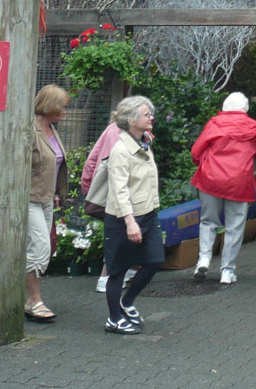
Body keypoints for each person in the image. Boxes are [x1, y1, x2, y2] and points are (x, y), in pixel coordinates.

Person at [191, 92, 256, 285]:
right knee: (234, 227)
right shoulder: (254, 129)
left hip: (211, 179)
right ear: (245, 108)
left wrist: (206, 163)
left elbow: (196, 152)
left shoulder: (214, 124)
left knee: (208, 221)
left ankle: (204, 259)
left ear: (225, 107)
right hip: (240, 182)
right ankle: (227, 270)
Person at [102, 95, 161, 335]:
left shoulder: (144, 142)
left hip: (148, 213)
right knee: (118, 270)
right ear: (131, 120)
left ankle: (126, 302)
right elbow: (119, 189)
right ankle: (114, 319)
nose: (151, 118)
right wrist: (130, 222)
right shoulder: (120, 150)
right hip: (123, 218)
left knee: (155, 260)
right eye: (147, 115)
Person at [26, 84, 70, 323]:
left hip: (46, 198)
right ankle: (34, 301)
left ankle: (30, 298)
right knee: (39, 248)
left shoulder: (51, 130)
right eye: (62, 107)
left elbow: (52, 165)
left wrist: (55, 192)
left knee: (44, 249)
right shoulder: (29, 129)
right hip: (29, 198)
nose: (65, 112)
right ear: (50, 106)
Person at [81, 111, 137, 293]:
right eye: (146, 114)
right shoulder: (121, 134)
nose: (151, 118)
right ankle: (106, 276)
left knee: (122, 230)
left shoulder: (112, 129)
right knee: (118, 231)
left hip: (117, 191)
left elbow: (92, 160)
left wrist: (88, 187)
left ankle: (121, 269)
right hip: (118, 192)